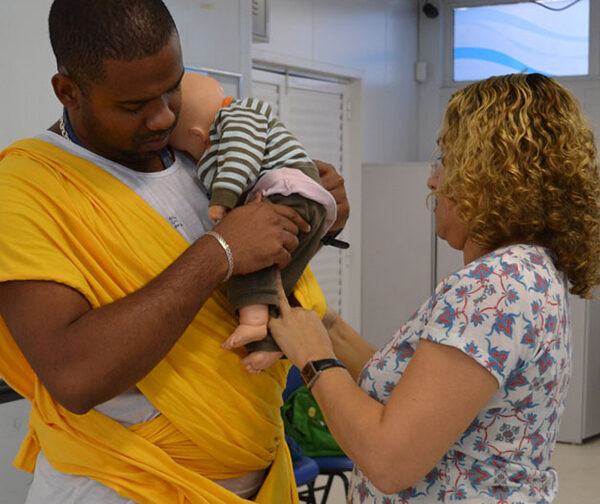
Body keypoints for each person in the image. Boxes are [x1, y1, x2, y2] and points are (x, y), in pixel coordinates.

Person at [0, 1, 348, 503]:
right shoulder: (26, 188)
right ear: (67, 90)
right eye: (133, 105)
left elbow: (262, 271)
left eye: (173, 87)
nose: (163, 115)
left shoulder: (198, 148)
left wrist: (316, 212)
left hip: (259, 474)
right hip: (118, 486)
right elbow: (73, 376)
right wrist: (221, 250)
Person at [257, 73, 600, 503]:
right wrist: (326, 323)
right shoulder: (526, 272)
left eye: (446, 162)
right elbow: (410, 394)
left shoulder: (493, 286)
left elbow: (389, 461)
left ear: (490, 178)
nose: (433, 181)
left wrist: (312, 357)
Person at [170, 72, 338, 373]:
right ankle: (271, 342)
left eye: (186, 150)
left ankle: (254, 322)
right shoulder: (239, 120)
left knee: (248, 259)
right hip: (304, 200)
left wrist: (224, 196)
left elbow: (241, 157)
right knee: (279, 278)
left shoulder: (236, 116)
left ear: (197, 135)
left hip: (285, 190)